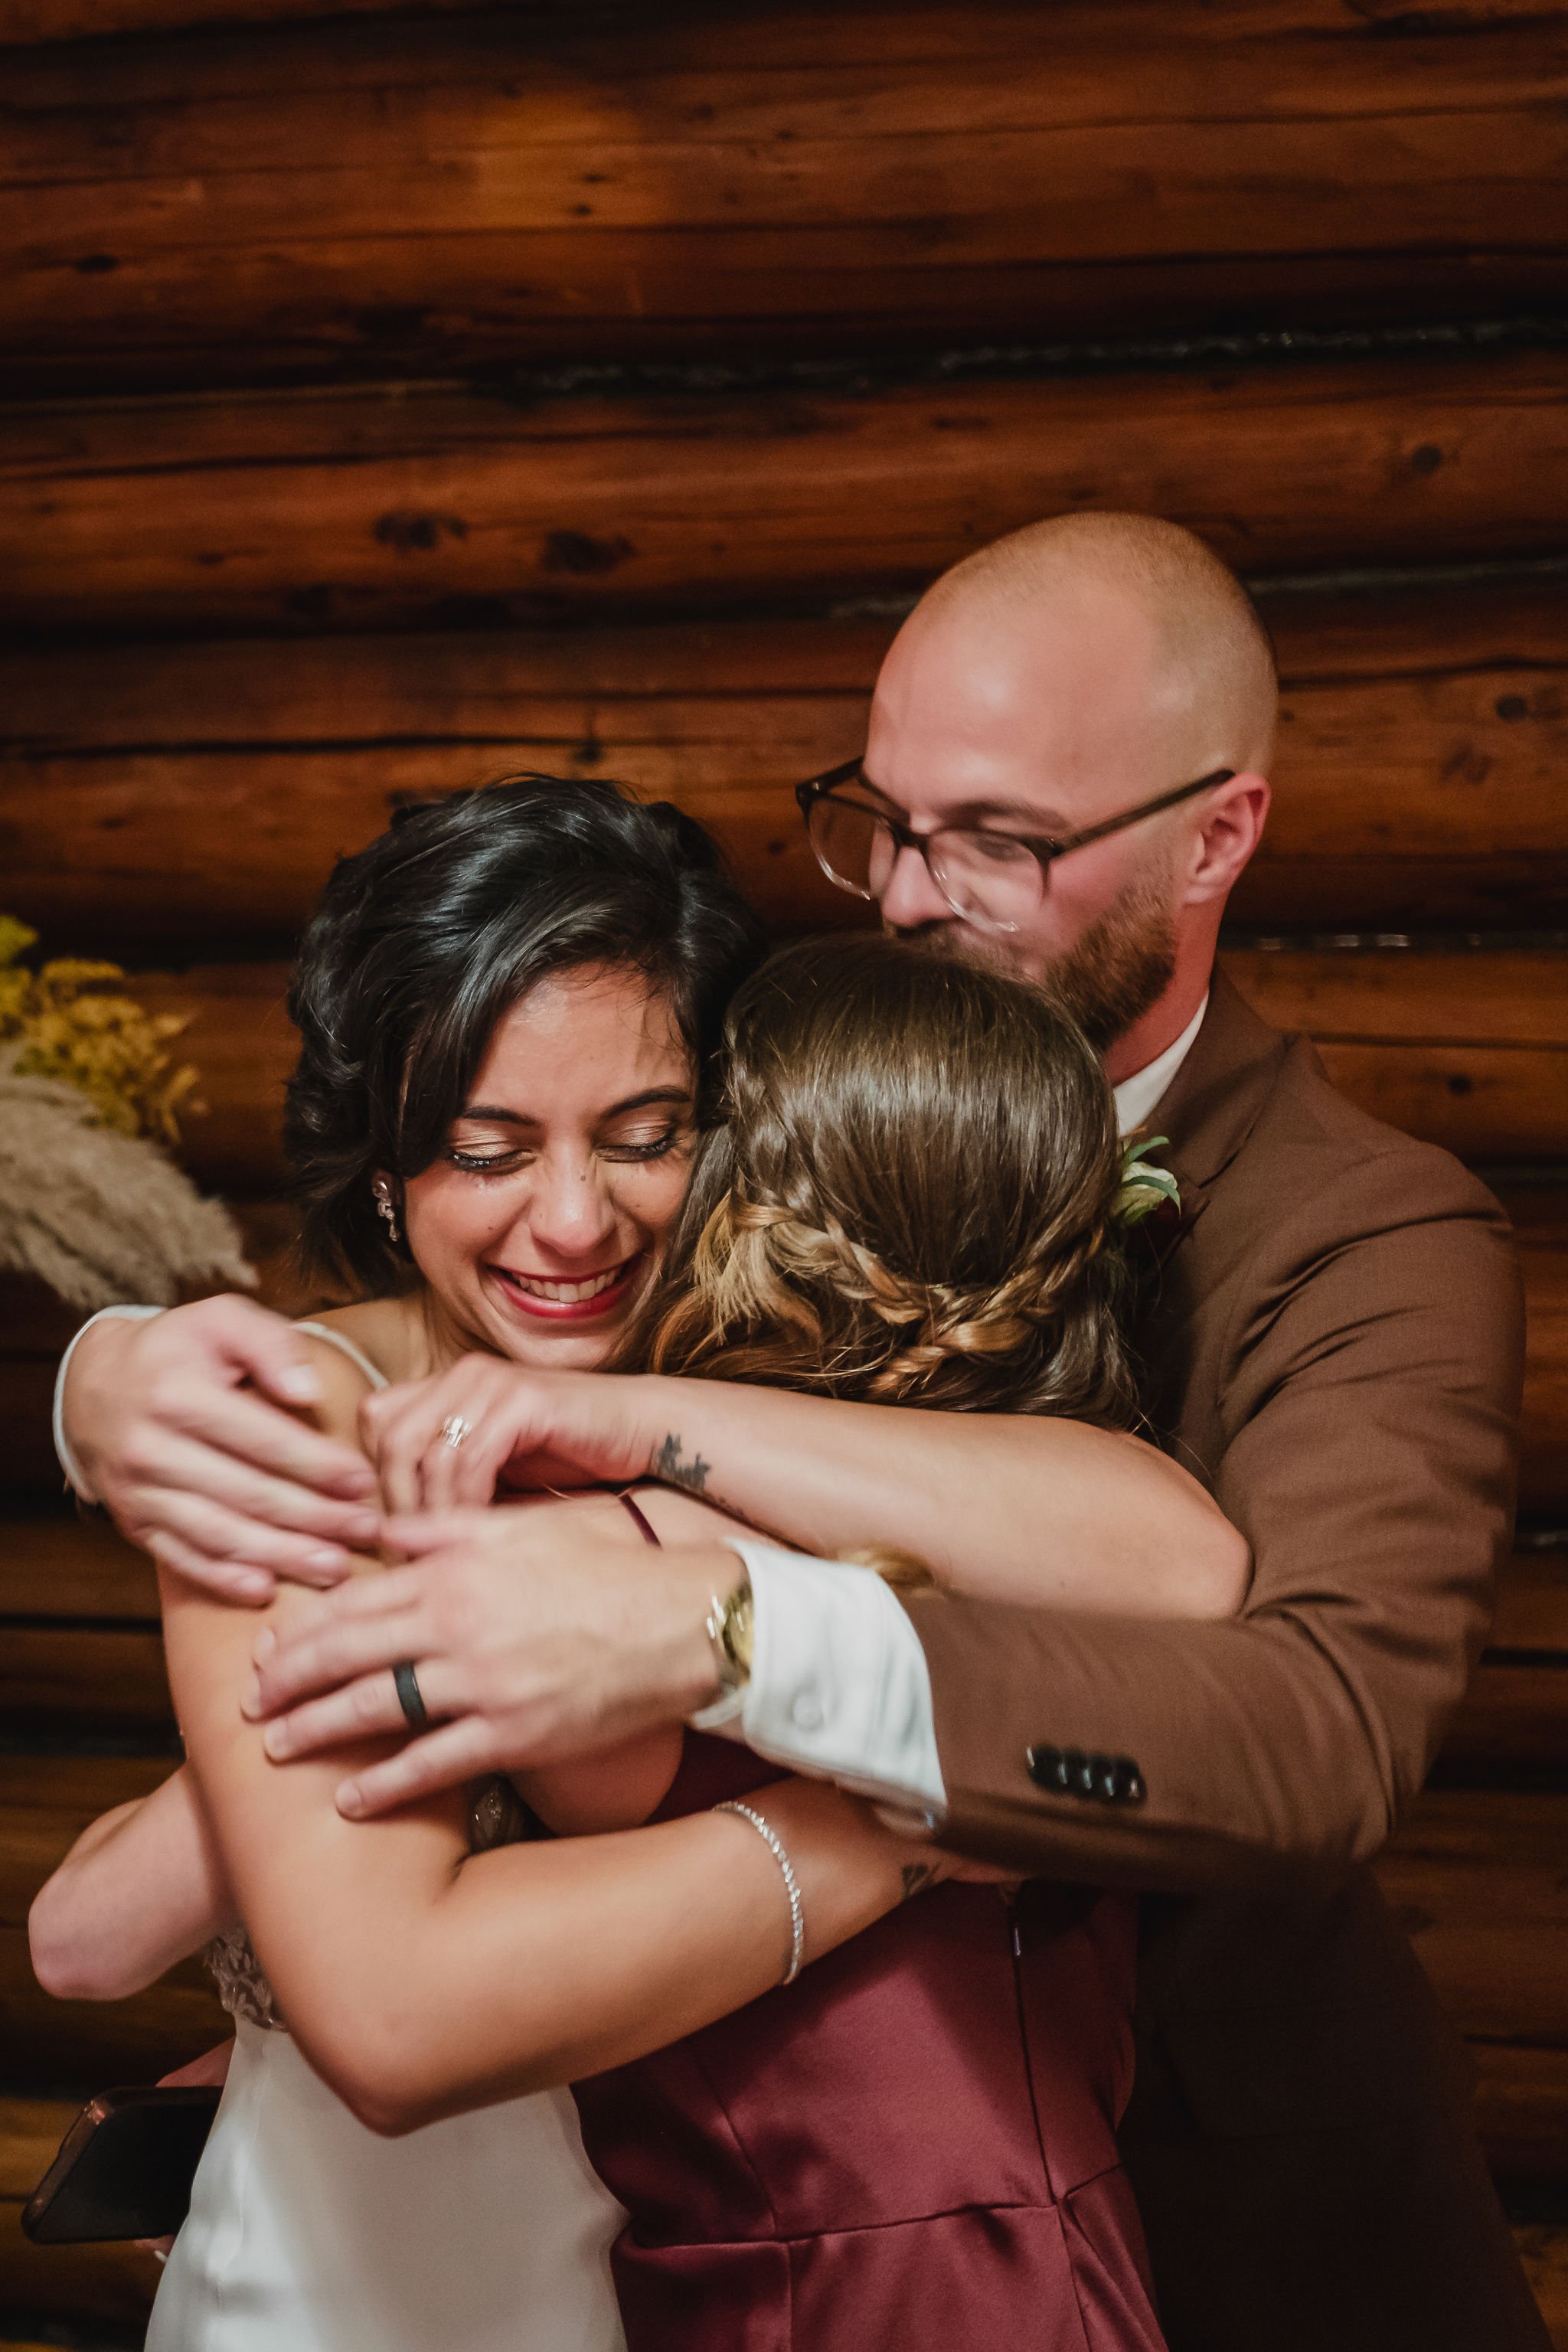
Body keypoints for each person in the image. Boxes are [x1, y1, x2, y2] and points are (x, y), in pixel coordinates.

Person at [52, 514, 1544, 2351]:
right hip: (700, 2210)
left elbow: (1310, 1719)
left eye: (995, 839)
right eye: (880, 821)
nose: (911, 895)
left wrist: (714, 1623)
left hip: (1192, 2192)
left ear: (1215, 834)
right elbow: (152, 1933)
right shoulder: (741, 1090)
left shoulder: (1364, 1233)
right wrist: (107, 1369)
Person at [35, 777, 1243, 2350]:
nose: (572, 1223)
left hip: (712, 2280)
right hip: (381, 2292)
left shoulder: (765, 1369)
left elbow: (1178, 1557)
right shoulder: (301, 1417)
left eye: (646, 1137)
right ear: (389, 1172)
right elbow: (346, 2003)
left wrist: (632, 1425)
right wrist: (911, 1817)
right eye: (484, 1150)